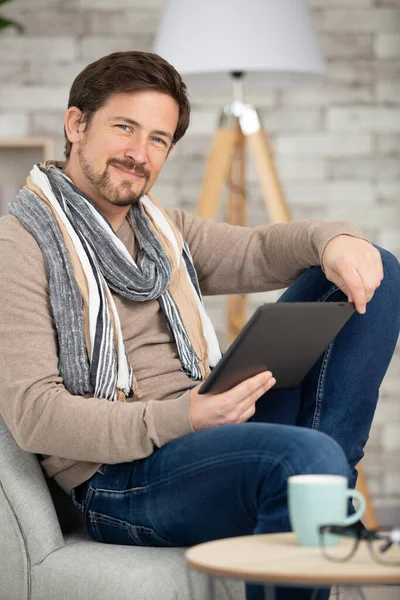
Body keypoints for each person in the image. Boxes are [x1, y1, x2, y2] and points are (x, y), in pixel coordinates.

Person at [0, 51, 399, 600]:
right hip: (118, 479)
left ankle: (317, 492)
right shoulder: (18, 245)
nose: (139, 154)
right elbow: (34, 417)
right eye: (124, 128)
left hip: (209, 427)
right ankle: (319, 494)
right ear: (77, 125)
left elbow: (259, 249)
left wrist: (335, 239)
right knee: (305, 461)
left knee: (376, 270)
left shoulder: (164, 232)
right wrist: (184, 415)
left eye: (159, 140)